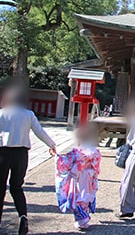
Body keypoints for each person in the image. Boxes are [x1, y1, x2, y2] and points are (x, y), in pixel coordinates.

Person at [0, 85, 57, 235]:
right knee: (17, 187)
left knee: (1, 188)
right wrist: (52, 144)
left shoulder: (1, 114)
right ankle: (23, 217)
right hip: (21, 154)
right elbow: (40, 131)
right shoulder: (28, 114)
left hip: (3, 152)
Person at [55, 124, 101, 230]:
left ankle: (82, 220)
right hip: (90, 177)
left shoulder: (77, 152)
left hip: (79, 177)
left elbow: (65, 162)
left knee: (78, 197)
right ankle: (84, 219)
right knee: (86, 196)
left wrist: (57, 156)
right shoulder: (95, 151)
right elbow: (96, 164)